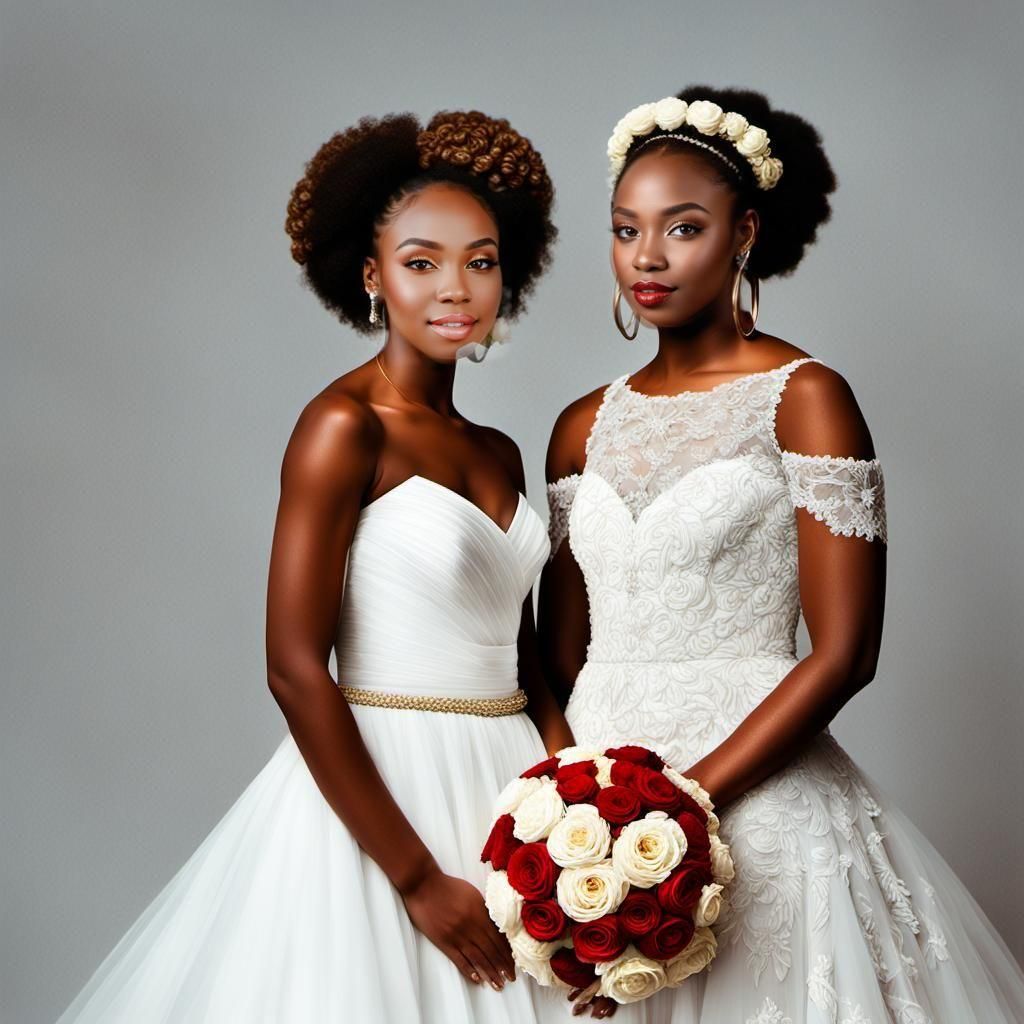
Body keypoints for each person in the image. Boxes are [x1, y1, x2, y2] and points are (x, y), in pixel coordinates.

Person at [56, 109, 577, 1023]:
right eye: (422, 262)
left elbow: (525, 658)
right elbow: (294, 669)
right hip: (384, 789)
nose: (456, 287)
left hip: (512, 796)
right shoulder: (343, 427)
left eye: (481, 260)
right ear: (372, 277)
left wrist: (576, 789)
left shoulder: (498, 450)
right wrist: (415, 878)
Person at [540, 86, 1024, 1022]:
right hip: (594, 820)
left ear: (744, 232)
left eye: (682, 227)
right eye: (626, 229)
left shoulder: (807, 396)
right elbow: (559, 652)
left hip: (754, 798)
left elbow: (848, 653)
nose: (647, 256)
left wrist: (682, 804)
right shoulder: (578, 427)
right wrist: (577, 809)